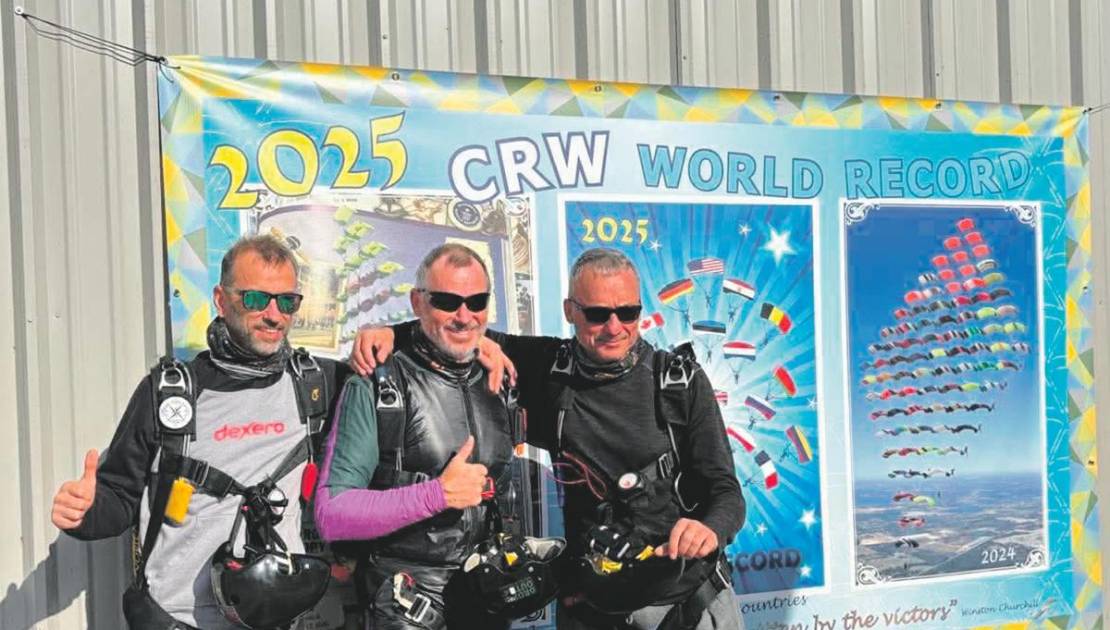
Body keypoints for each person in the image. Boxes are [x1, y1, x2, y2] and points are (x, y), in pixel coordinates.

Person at [353, 247, 746, 630]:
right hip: (597, 606)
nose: (614, 327)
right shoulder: (547, 368)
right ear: (570, 311)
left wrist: (709, 529)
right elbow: (454, 328)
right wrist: (390, 333)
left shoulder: (677, 382)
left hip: (685, 601)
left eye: (628, 312)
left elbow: (726, 492)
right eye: (597, 314)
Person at [50, 235, 348, 629]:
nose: (274, 315)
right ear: (221, 300)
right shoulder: (172, 392)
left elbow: (405, 371)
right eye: (256, 299)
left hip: (275, 618)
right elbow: (119, 496)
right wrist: (86, 513)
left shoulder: (317, 384)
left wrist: (392, 336)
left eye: (287, 301)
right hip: (178, 619)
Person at [314, 243, 543, 629]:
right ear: (418, 302)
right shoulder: (377, 385)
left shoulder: (498, 378)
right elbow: (332, 515)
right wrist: (436, 495)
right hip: (405, 605)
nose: (464, 316)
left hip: (484, 598)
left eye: (476, 301)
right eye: (447, 301)